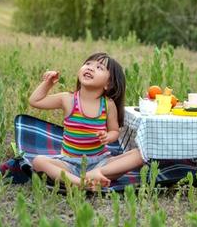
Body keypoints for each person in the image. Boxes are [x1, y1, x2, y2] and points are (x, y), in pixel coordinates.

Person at [29, 52, 126, 187]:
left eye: (99, 68)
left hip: (99, 162)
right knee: (38, 161)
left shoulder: (108, 104)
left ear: (108, 84)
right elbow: (35, 101)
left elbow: (115, 131)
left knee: (139, 155)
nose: (90, 68)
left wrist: (108, 137)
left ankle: (86, 177)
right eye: (88, 64)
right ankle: (82, 182)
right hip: (68, 163)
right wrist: (48, 84)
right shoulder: (67, 99)